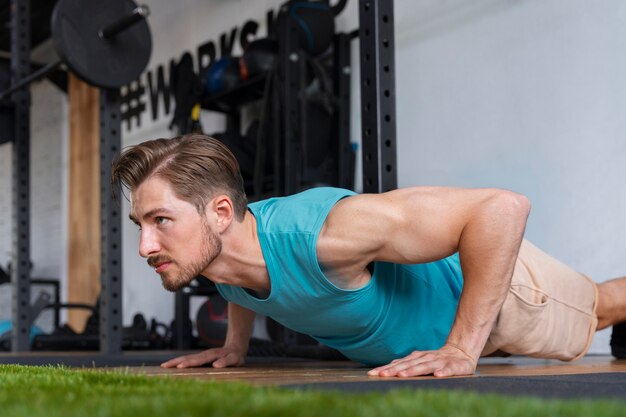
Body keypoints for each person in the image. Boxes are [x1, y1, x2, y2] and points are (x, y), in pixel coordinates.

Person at [111, 134, 626, 377]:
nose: (144, 246)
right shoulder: (218, 249)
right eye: (140, 224)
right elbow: (244, 279)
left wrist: (463, 349)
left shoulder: (327, 235)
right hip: (444, 338)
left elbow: (502, 208)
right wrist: (235, 345)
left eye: (160, 221)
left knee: (602, 308)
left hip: (506, 295)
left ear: (219, 211)